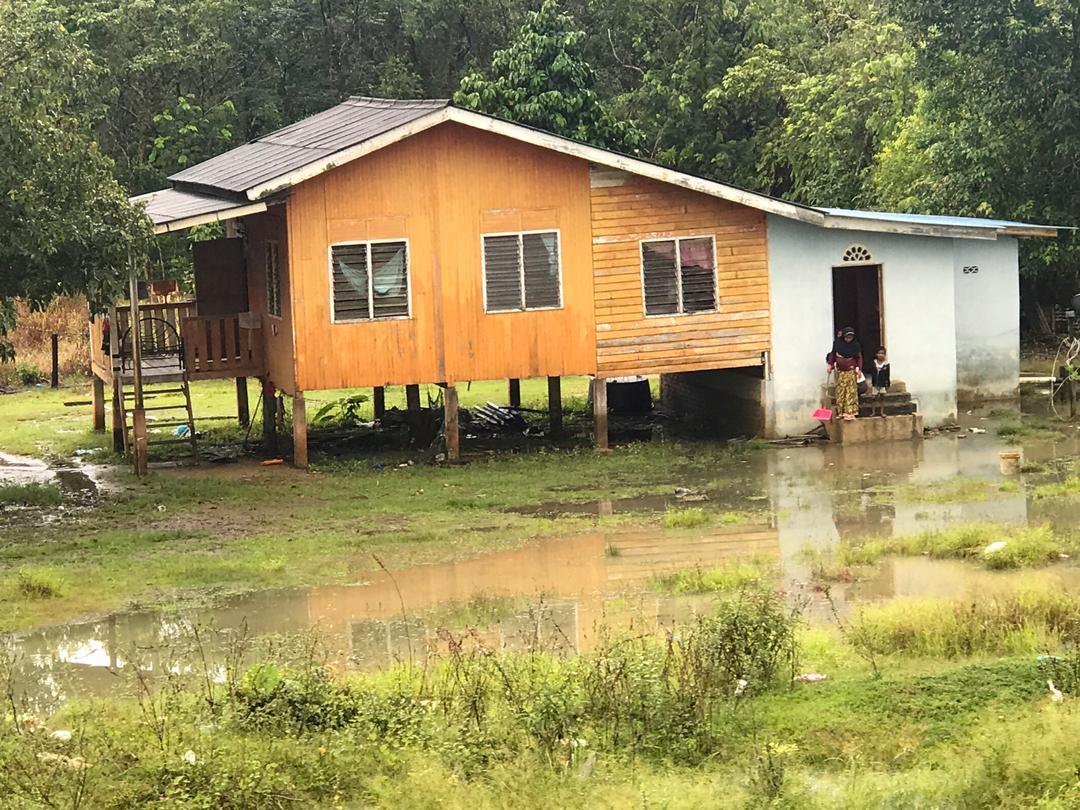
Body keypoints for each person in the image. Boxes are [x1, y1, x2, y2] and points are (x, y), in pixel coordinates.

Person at [827, 327, 862, 421]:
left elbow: (859, 358)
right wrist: (830, 365)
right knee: (841, 391)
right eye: (847, 337)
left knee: (850, 391)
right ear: (843, 336)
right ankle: (841, 412)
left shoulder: (855, 345)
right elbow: (833, 354)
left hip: (850, 371)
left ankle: (850, 412)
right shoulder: (838, 344)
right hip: (840, 372)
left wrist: (859, 369)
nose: (848, 339)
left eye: (850, 337)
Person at [869, 347, 890, 418]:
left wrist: (887, 384)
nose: (880, 355)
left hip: (883, 383)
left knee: (882, 397)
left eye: (882, 353)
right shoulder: (873, 363)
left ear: (885, 355)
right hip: (875, 383)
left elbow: (887, 374)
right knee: (873, 398)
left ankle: (882, 412)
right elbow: (871, 372)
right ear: (876, 354)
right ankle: (873, 412)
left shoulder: (886, 364)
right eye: (879, 353)